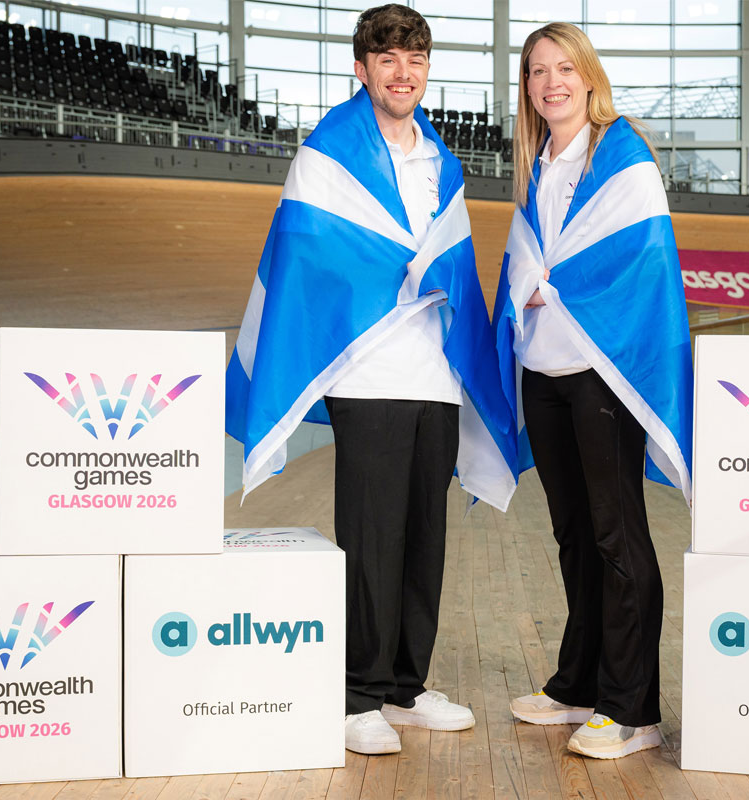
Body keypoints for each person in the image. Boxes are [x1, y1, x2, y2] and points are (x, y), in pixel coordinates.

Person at [225, 4, 516, 755]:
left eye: (415, 58)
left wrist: (431, 278)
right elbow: (308, 258)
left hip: (434, 376)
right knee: (372, 536)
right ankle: (357, 694)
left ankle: (406, 687)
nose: (403, 71)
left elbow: (452, 261)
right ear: (362, 68)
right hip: (367, 373)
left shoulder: (440, 159)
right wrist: (391, 272)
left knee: (425, 536)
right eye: (387, 58)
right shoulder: (326, 155)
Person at [491, 22, 693, 760]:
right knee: (574, 534)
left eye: (562, 67)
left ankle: (633, 708)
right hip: (544, 372)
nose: (551, 82)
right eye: (536, 72)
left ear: (587, 74)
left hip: (602, 372)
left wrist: (555, 286)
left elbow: (637, 257)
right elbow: (526, 264)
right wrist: (532, 288)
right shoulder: (538, 163)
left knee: (616, 535)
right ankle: (578, 684)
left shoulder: (622, 152)